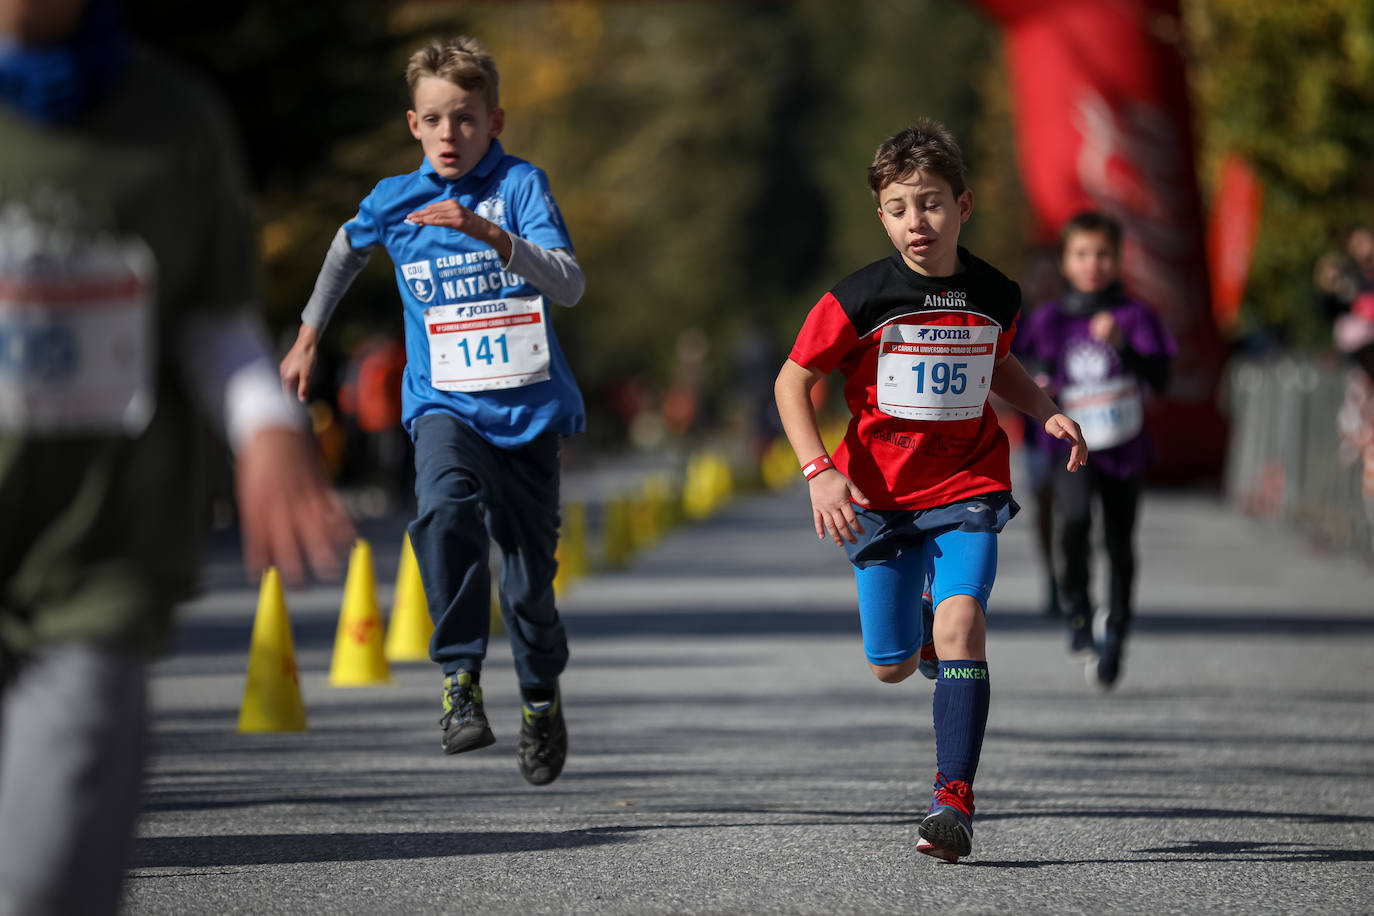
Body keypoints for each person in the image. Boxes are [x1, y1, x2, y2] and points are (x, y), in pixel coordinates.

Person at [0, 1, 355, 913]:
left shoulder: (172, 118)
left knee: (38, 878)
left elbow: (215, 320)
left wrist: (268, 427)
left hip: (95, 557)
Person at [774, 119, 1087, 864]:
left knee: (963, 627)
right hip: (877, 496)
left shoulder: (994, 293)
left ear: (964, 204)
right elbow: (794, 381)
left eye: (934, 203)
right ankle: (916, 626)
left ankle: (954, 798)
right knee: (890, 664)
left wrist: (1047, 410)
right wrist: (820, 472)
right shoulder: (857, 298)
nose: (919, 221)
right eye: (901, 207)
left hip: (968, 482)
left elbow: (999, 360)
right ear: (880, 214)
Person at [280, 36, 586, 787]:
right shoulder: (395, 199)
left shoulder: (519, 187)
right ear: (413, 125)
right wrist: (310, 332)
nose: (451, 134)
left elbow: (571, 285)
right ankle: (459, 681)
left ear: (496, 120)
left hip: (527, 419)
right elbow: (346, 246)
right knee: (443, 510)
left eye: (467, 119)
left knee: (528, 590)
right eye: (435, 119)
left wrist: (487, 232)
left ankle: (541, 696)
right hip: (442, 405)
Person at [1016, 211, 1176, 690]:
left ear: (1118, 259)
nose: (1093, 265)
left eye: (1103, 254)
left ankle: (1119, 629)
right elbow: (1023, 368)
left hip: (1123, 447)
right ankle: (1079, 611)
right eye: (1082, 254)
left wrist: (1124, 346)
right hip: (1070, 449)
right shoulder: (1051, 319)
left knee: (1120, 542)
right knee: (1076, 522)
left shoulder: (1136, 315)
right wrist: (1039, 381)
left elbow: (1162, 379)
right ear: (1065, 262)